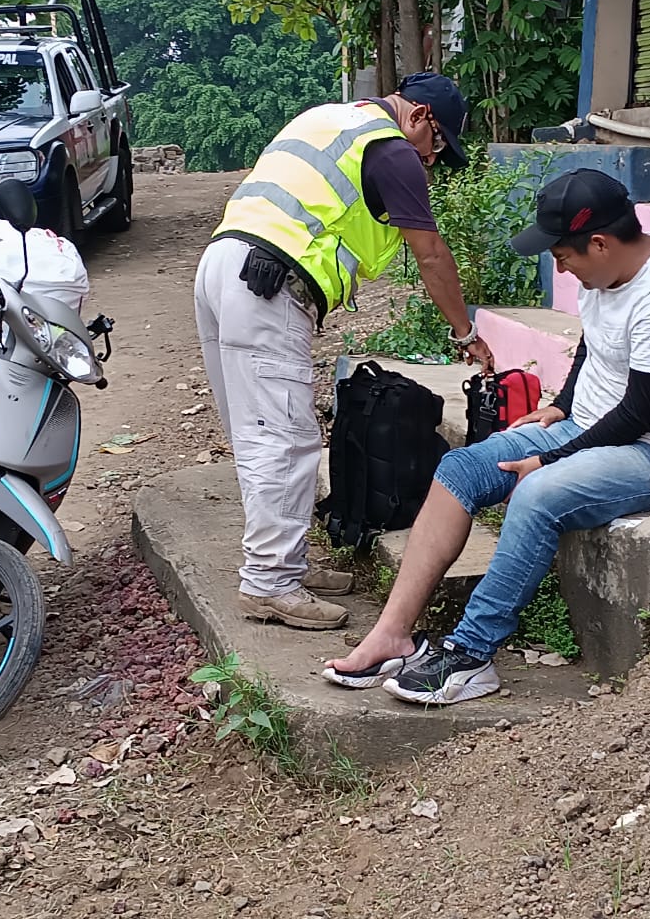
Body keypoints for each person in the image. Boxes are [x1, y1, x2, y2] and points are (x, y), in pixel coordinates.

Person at [324, 168, 650, 703]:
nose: (559, 267)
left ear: (599, 243)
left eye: (562, 255)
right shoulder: (605, 276)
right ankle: (391, 634)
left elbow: (639, 415)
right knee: (461, 469)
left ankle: (470, 655)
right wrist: (560, 406)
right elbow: (593, 346)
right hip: (587, 429)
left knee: (536, 495)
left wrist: (552, 459)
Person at [194, 73, 496, 632]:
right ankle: (269, 584)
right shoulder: (392, 151)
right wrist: (464, 333)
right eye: (437, 147)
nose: (430, 162)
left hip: (223, 267)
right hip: (268, 283)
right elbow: (430, 255)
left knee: (259, 431)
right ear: (422, 116)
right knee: (284, 438)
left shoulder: (330, 118)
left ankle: (283, 565)